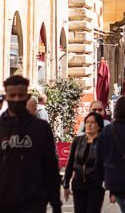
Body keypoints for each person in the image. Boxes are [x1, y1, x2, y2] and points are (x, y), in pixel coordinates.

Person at [0, 74, 62, 213]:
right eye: (12, 95)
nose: (16, 99)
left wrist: (56, 203)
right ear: (6, 97)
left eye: (20, 95)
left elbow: (50, 167)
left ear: (27, 97)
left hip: (33, 201)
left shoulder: (40, 128)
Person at [63, 112, 105, 213]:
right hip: (78, 184)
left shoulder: (103, 142)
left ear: (99, 125)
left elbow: (107, 164)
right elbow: (70, 163)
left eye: (93, 122)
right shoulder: (77, 141)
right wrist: (66, 184)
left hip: (95, 185)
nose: (89, 125)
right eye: (87, 122)